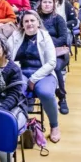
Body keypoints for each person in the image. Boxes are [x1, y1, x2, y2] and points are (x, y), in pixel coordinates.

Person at [8, 11, 61, 142]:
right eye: (26, 21)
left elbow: (51, 63)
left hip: (44, 73)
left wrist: (33, 78)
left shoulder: (45, 36)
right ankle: (20, 124)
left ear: (38, 22)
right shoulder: (15, 36)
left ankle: (54, 126)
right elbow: (7, 56)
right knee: (17, 91)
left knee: (46, 93)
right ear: (22, 24)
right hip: (21, 73)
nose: (29, 24)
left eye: (32, 21)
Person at [38, 0, 70, 115]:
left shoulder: (58, 19)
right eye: (44, 2)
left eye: (49, 2)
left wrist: (47, 42)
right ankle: (30, 99)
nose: (47, 4)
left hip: (58, 52)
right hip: (40, 52)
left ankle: (62, 98)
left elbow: (63, 38)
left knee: (55, 67)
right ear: (41, 4)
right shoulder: (36, 18)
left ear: (53, 4)